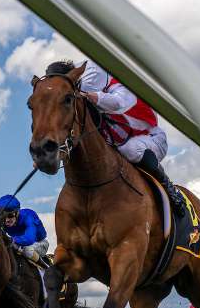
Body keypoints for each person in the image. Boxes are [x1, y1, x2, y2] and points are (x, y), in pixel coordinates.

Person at [45, 60, 185, 216]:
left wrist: (89, 96)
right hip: (114, 142)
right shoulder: (78, 93)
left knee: (130, 149)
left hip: (149, 138)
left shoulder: (115, 85)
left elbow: (118, 103)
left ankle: (169, 188)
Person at [0, 195, 49, 263]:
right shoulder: (1, 221)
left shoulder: (28, 216)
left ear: (17, 213)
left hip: (39, 243)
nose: (6, 220)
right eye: (3, 216)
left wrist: (11, 239)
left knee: (27, 250)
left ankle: (46, 266)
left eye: (10, 215)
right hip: (17, 243)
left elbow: (30, 239)